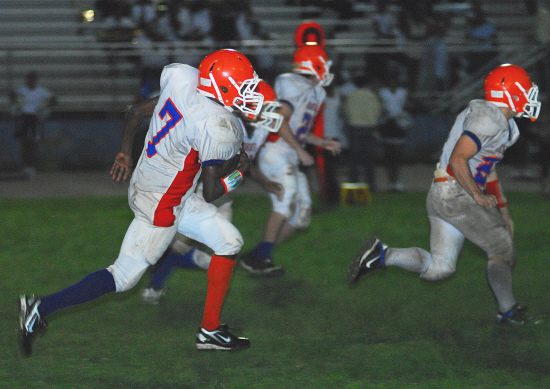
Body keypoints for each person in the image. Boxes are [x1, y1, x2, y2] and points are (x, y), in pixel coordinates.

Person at [18, 49, 265, 357]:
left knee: (229, 241)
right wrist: (243, 171)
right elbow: (214, 191)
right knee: (123, 277)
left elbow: (136, 112)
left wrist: (125, 152)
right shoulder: (214, 124)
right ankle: (40, 308)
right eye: (243, 88)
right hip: (163, 203)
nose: (249, 94)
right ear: (222, 87)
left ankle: (210, 332)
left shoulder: (183, 79)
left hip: (161, 185)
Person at [348, 64, 541, 325]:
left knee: (440, 268)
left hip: (442, 193)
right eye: (526, 88)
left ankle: (382, 254)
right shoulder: (488, 118)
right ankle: (508, 311)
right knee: (502, 249)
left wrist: (503, 210)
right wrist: (477, 195)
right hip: (456, 192)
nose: (530, 94)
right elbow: (458, 158)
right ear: (511, 92)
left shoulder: (504, 124)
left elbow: (488, 169)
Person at [140, 80, 310, 303]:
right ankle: (154, 283)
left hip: (222, 195)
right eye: (263, 107)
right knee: (182, 245)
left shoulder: (257, 126)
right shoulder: (225, 123)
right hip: (199, 191)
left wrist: (265, 183)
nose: (269, 113)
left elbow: (245, 162)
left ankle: (160, 265)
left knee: (215, 257)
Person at [239, 44, 341, 276]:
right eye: (323, 64)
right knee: (284, 206)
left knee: (301, 217)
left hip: (290, 154)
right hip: (276, 151)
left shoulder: (318, 92)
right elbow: (279, 119)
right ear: (313, 65)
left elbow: (300, 130)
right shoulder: (290, 83)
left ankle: (256, 256)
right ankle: (261, 259)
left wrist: (322, 142)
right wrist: (301, 150)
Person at [9, 71, 57, 179]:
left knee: (33, 143)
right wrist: (16, 104)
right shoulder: (22, 90)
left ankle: (32, 168)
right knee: (24, 142)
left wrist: (45, 107)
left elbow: (54, 100)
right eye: (29, 79)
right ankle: (26, 168)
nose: (30, 81)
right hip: (24, 117)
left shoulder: (41, 91)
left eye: (32, 79)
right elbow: (12, 94)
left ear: (35, 80)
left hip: (35, 118)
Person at [343, 75, 382, 192]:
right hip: (369, 128)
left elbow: (346, 112)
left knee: (355, 159)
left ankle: (354, 184)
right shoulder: (372, 96)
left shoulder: (351, 96)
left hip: (355, 128)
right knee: (369, 159)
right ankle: (371, 186)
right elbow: (377, 111)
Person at [378, 73, 410, 192]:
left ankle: (396, 181)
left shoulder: (403, 92)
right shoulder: (383, 92)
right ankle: (390, 182)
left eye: (394, 81)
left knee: (397, 154)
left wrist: (402, 114)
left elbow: (407, 105)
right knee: (388, 154)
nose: (392, 84)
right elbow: (381, 107)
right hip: (387, 123)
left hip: (399, 124)